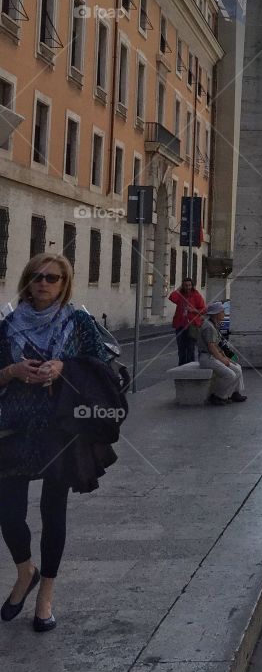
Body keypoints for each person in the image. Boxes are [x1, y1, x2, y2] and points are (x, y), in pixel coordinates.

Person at [0, 252, 122, 633]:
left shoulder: (79, 321)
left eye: (52, 277)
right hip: (14, 427)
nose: (43, 283)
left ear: (64, 283)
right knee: (8, 512)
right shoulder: (8, 324)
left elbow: (103, 368)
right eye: (37, 276)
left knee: (54, 512)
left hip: (60, 427)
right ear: (27, 279)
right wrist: (13, 371)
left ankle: (45, 596)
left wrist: (63, 367)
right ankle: (26, 572)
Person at [196, 303, 246, 404]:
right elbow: (211, 346)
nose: (224, 313)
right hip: (207, 358)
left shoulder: (214, 325)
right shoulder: (209, 327)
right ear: (216, 314)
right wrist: (222, 359)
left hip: (213, 356)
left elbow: (218, 346)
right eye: (222, 311)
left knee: (238, 369)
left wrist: (226, 358)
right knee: (230, 375)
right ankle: (217, 395)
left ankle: (233, 393)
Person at [168, 278, 206, 364]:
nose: (188, 287)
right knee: (181, 348)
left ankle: (190, 366)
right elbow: (172, 297)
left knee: (190, 348)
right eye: (185, 285)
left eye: (189, 285)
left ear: (192, 286)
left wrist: (193, 310)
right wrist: (179, 289)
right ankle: (181, 366)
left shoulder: (196, 295)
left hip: (192, 325)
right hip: (180, 325)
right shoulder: (180, 295)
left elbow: (203, 310)